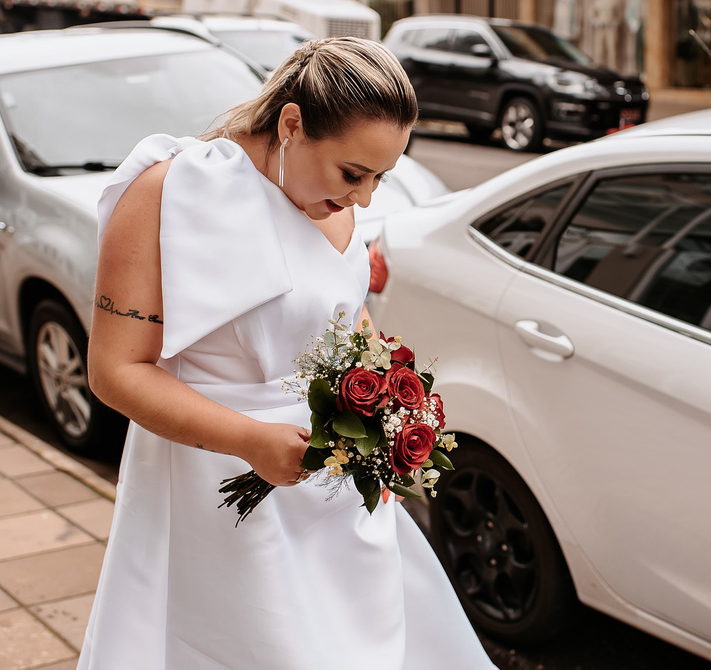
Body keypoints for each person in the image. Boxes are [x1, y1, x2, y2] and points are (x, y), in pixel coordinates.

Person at [78, 37, 497, 669]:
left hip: (332, 492)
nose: (365, 199)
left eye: (381, 178)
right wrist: (250, 440)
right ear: (292, 124)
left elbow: (347, 323)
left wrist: (389, 423)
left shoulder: (334, 204)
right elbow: (114, 371)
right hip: (213, 486)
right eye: (353, 174)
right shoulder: (169, 191)